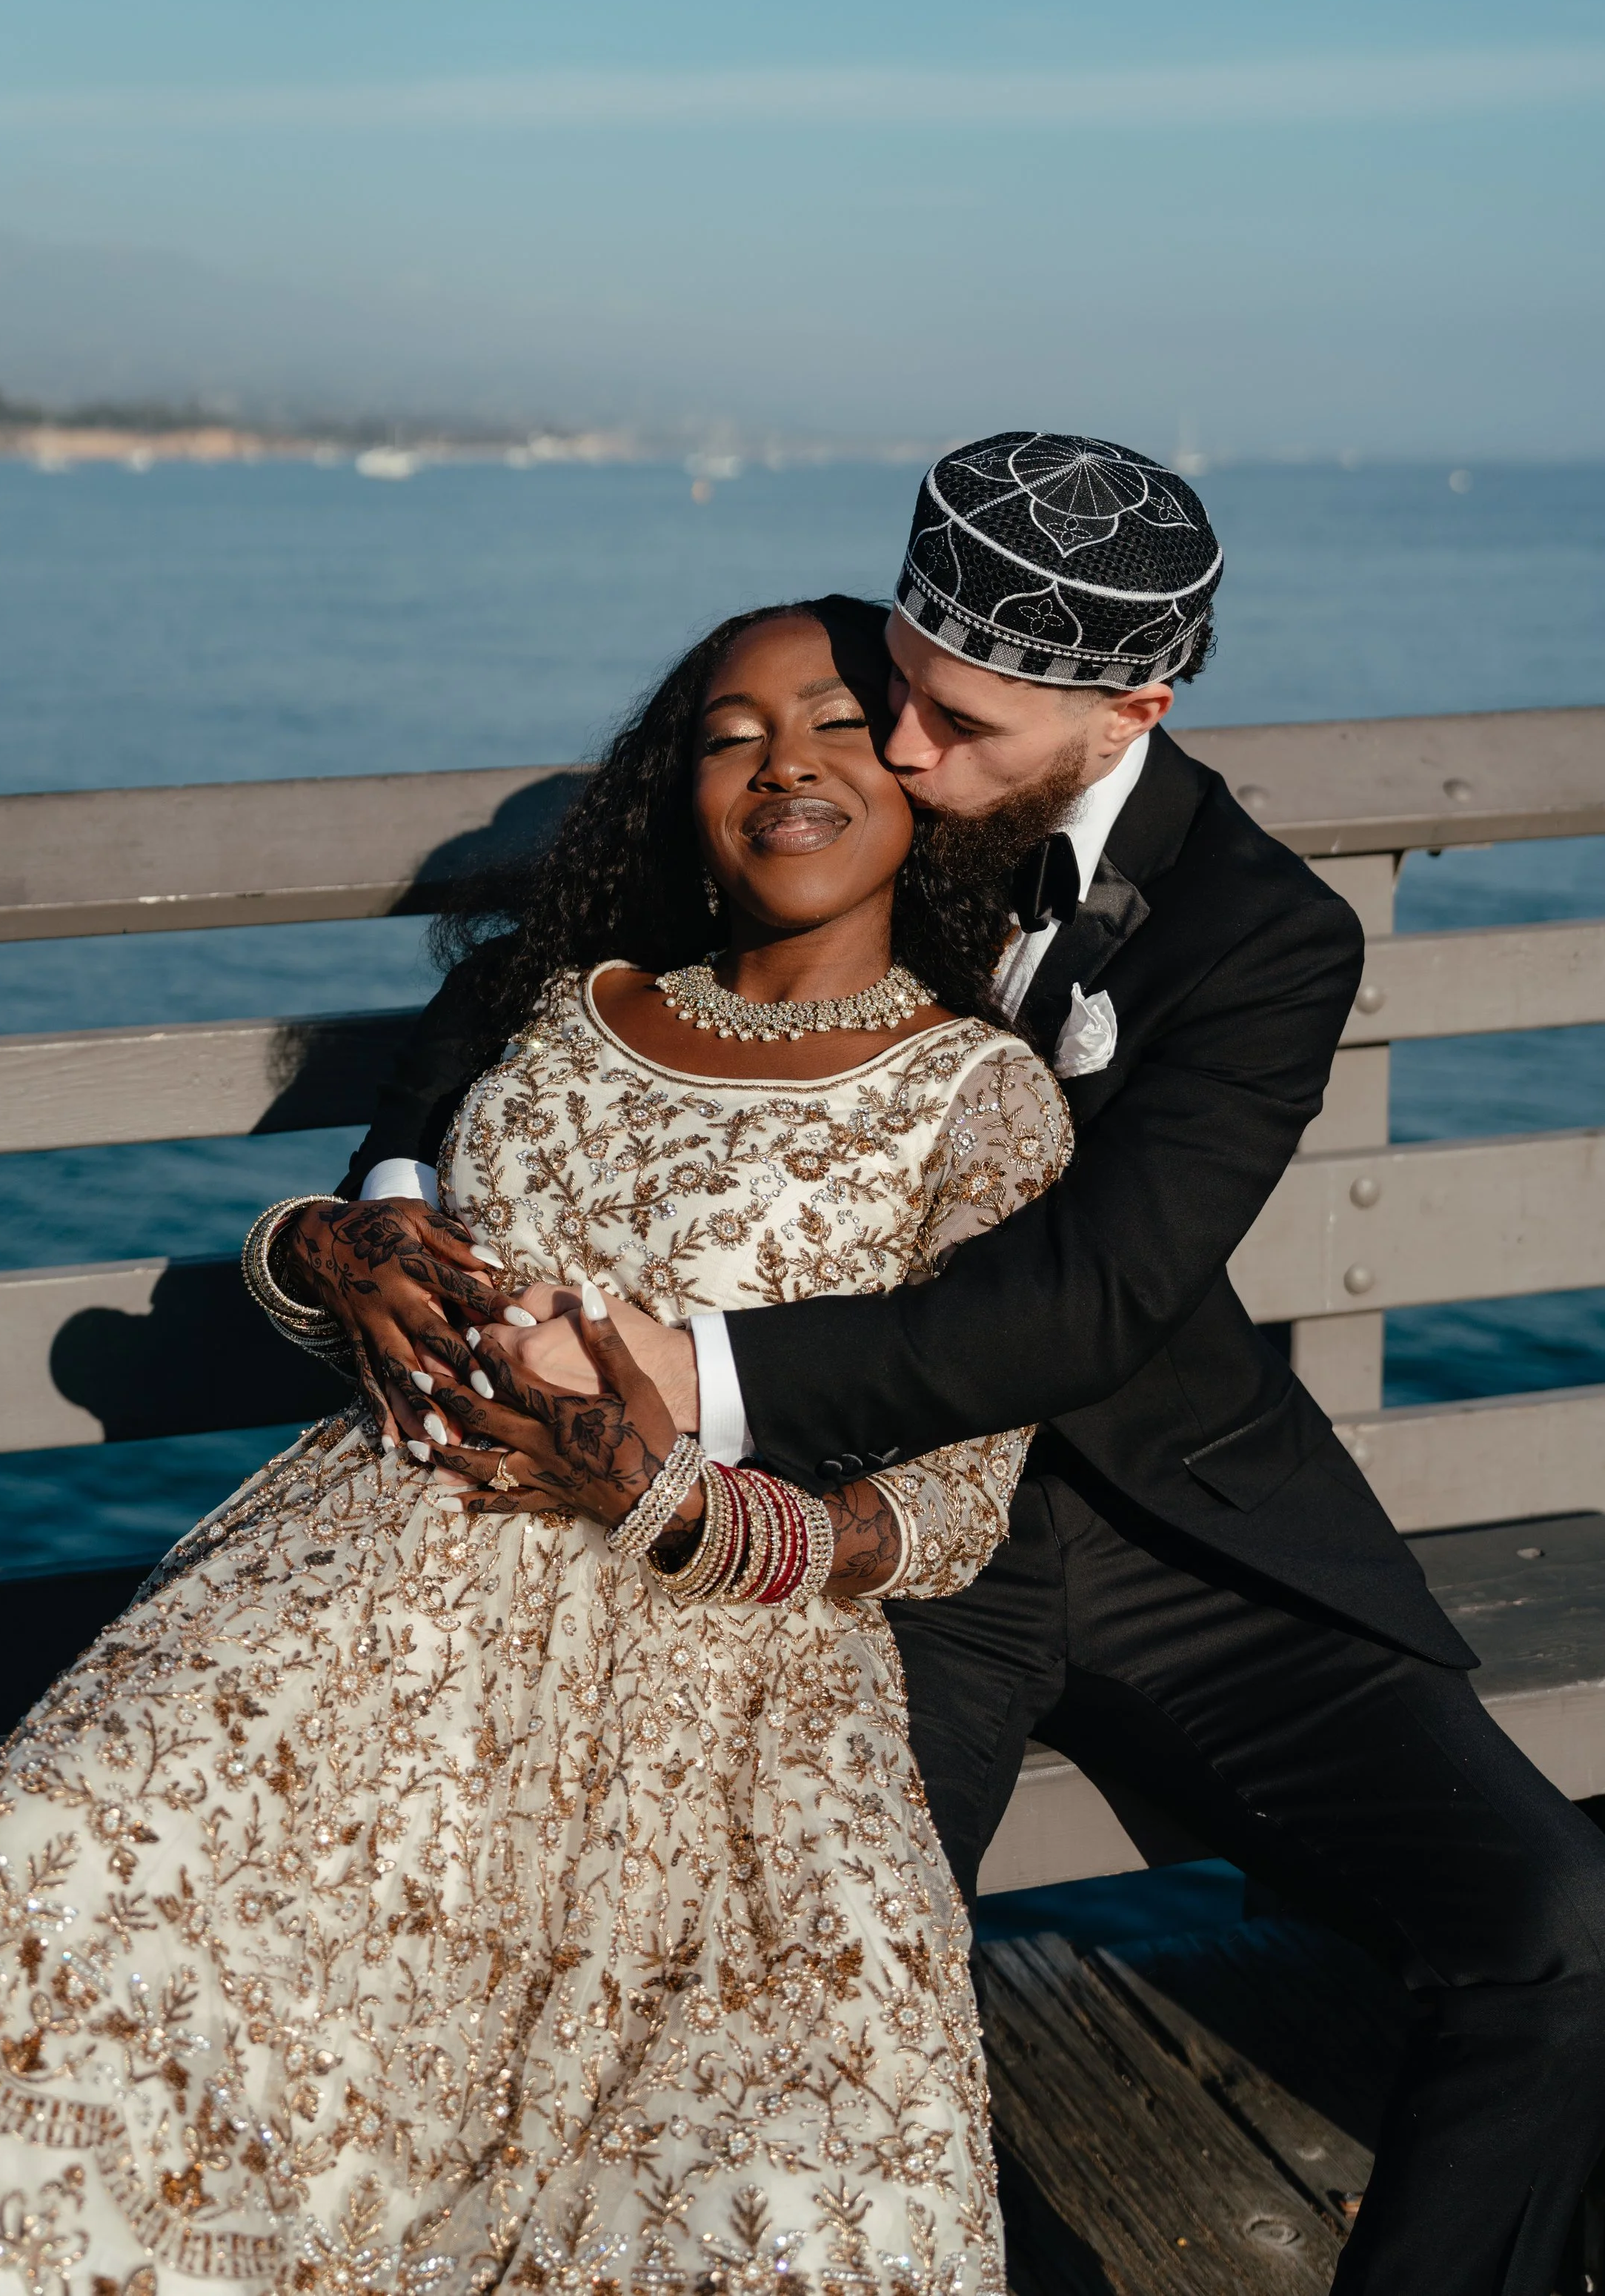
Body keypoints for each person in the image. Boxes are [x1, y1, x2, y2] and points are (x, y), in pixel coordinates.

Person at [330, 434, 1605, 2296]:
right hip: (872, 1550)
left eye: (959, 729)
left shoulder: (1262, 936)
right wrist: (379, 1196)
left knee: (1558, 1928)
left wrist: (697, 1368)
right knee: (801, 1995)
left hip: (1177, 1532)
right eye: (897, 704)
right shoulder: (842, 744)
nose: (901, 758)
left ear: (1127, 709)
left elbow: (1097, 1298)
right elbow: (534, 968)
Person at [0, 597, 1070, 2291]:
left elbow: (948, 1511)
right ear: (682, 789)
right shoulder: (572, 1008)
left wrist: (663, 1499)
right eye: (732, 734)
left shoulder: (977, 1098)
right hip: (350, 1585)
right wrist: (321, 1245)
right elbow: (394, 1270)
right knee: (69, 1850)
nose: (784, 765)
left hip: (695, 1677)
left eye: (830, 722)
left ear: (914, 773)